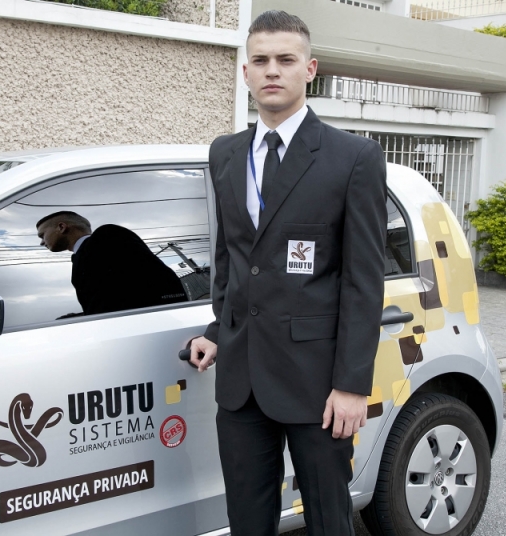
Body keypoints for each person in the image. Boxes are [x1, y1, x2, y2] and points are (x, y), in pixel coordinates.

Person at [188, 10, 387, 536]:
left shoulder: (353, 157)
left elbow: (363, 281)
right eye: (260, 60)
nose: (272, 70)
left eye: (285, 60)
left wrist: (351, 385)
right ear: (246, 73)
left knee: (327, 518)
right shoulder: (224, 153)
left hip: (317, 384)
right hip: (241, 381)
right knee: (247, 520)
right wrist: (216, 331)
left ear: (309, 69)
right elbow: (235, 258)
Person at [36, 211, 187, 316]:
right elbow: (112, 299)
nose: (42, 242)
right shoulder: (80, 257)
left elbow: (160, 282)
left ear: (61, 227)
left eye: (42, 235)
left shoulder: (107, 236)